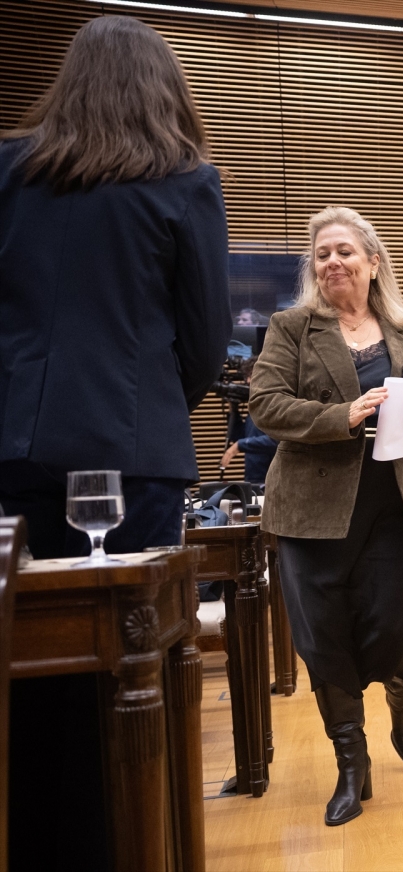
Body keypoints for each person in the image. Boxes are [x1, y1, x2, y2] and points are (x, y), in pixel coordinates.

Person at [0, 16, 231, 868]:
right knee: (134, 673)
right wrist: (149, 405)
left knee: (25, 668)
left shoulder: (7, 172)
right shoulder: (184, 182)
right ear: (162, 88)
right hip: (132, 461)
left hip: (15, 454)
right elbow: (206, 339)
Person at [250, 205, 403, 826]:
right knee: (323, 634)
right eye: (322, 254)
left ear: (372, 261)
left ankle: (400, 687)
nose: (332, 261)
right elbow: (265, 403)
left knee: (392, 624)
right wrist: (344, 414)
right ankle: (350, 761)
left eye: (344, 251)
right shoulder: (291, 326)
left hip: (396, 498)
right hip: (312, 506)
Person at [220, 355, 279, 484]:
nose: (248, 380)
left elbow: (276, 440)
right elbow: (240, 436)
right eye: (247, 376)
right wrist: (233, 410)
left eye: (252, 376)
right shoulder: (254, 408)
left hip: (272, 478)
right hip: (254, 478)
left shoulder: (274, 404)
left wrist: (240, 445)